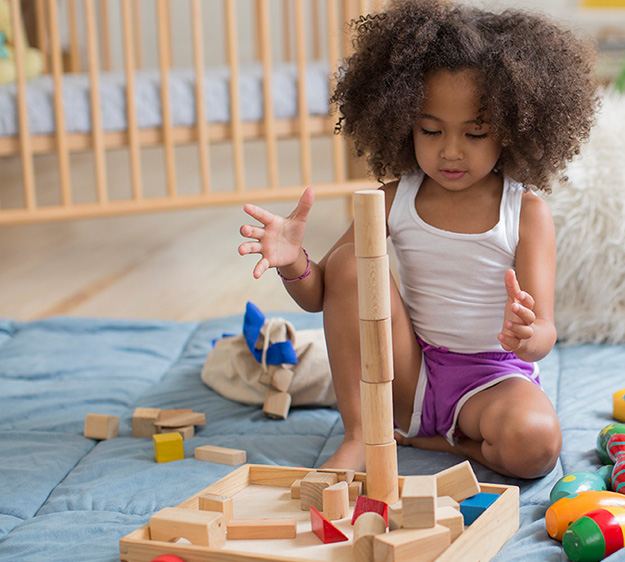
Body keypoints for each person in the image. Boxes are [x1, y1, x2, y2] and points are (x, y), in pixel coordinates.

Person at [237, 0, 598, 479]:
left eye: (474, 133)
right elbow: (323, 294)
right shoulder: (393, 198)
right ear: (404, 120)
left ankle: (447, 442)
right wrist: (292, 261)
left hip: (493, 380)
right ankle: (363, 435)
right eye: (431, 130)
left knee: (536, 446)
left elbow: (546, 332)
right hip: (409, 373)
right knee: (350, 261)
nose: (450, 151)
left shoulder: (526, 212)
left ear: (511, 130)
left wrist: (529, 335)